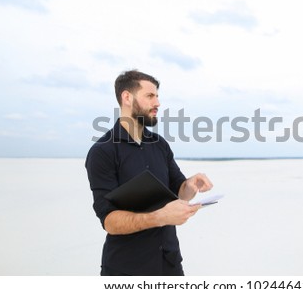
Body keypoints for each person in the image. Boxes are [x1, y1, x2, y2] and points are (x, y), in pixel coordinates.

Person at [85, 70, 213, 276]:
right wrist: (160, 217)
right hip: (127, 270)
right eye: (150, 96)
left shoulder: (160, 144)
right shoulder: (103, 151)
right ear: (127, 97)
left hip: (169, 264)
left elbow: (179, 193)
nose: (158, 103)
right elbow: (109, 221)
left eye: (157, 96)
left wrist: (191, 185)